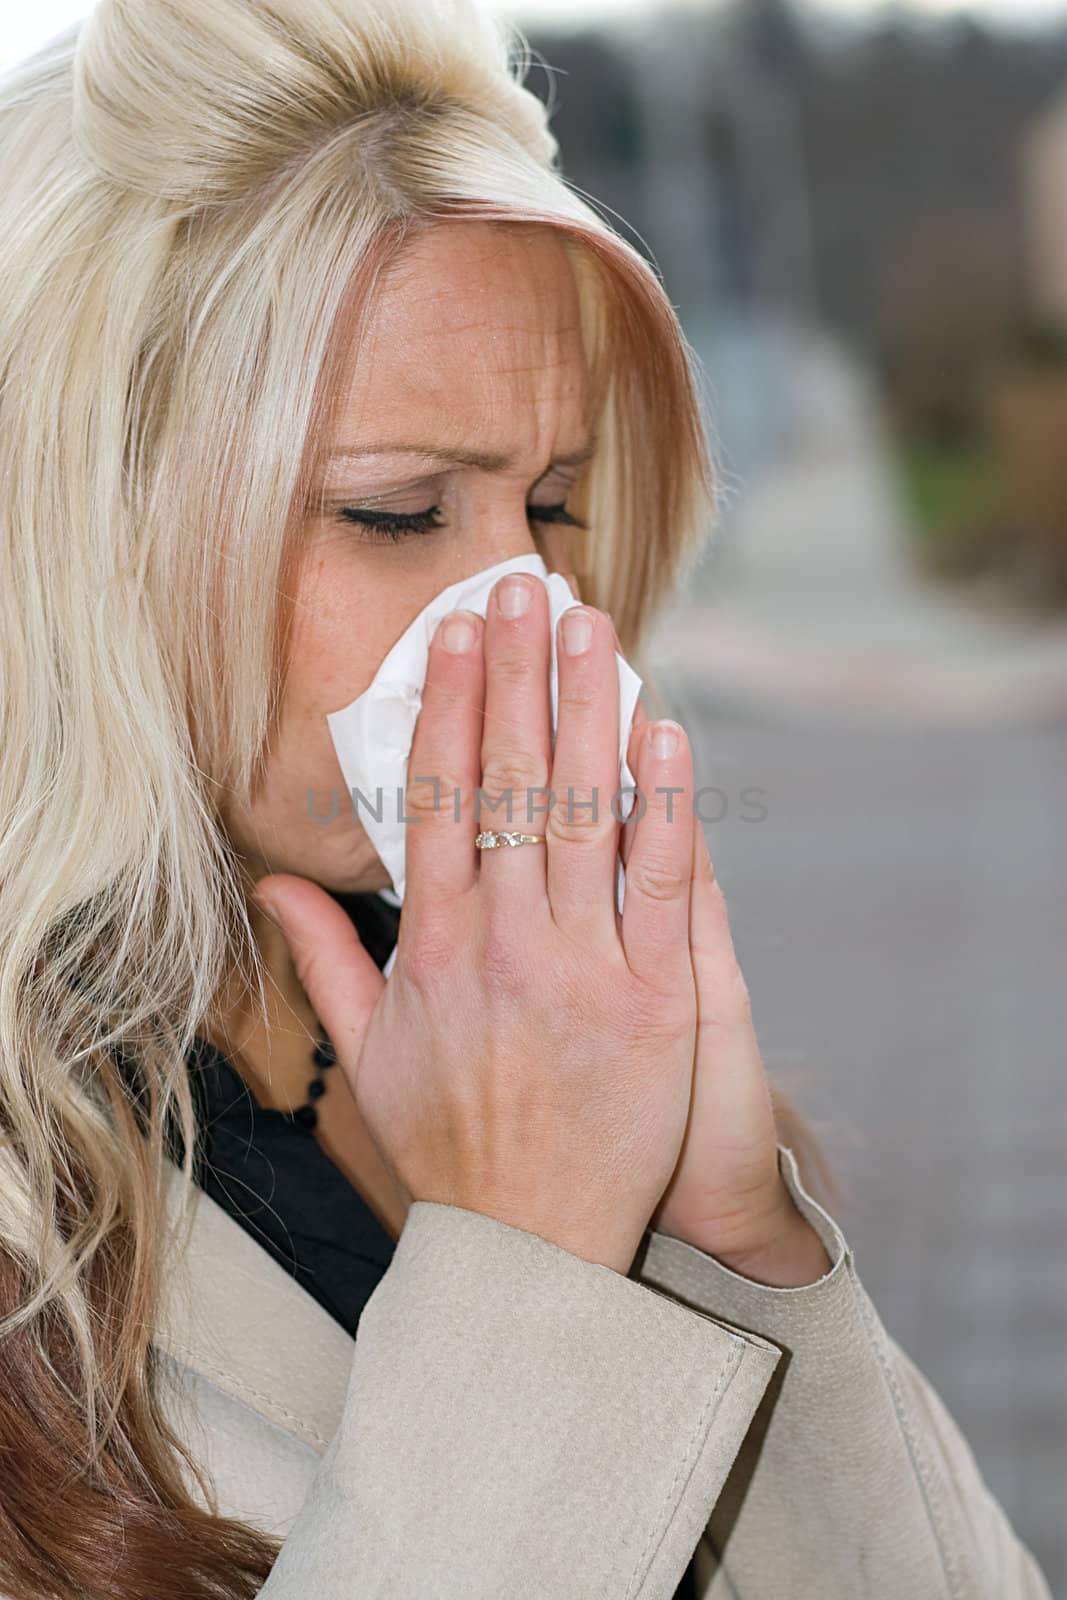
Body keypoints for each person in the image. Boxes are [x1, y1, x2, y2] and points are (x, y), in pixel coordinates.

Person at [0, 1, 1052, 1596]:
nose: (533, 610)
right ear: (70, 533)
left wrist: (738, 1248)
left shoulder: (518, 1015)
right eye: (397, 509)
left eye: (554, 504)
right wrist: (533, 1261)